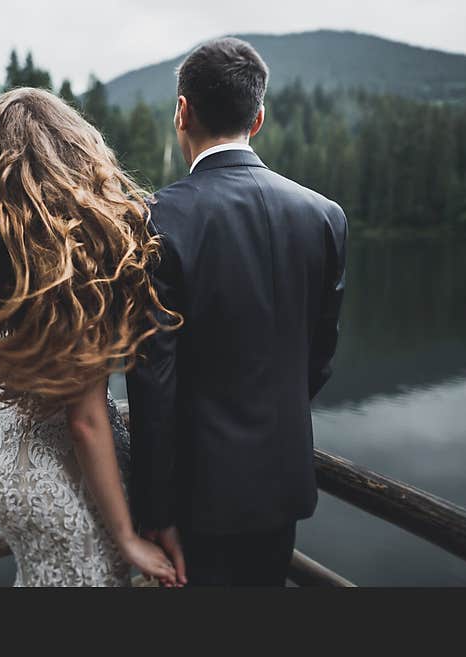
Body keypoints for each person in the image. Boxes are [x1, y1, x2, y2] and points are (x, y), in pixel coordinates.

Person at [0, 87, 183, 587]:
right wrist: (128, 537)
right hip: (65, 472)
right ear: (73, 155)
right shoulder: (74, 266)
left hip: (7, 465)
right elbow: (85, 420)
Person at [127, 37, 348, 586]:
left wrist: (155, 513)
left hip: (197, 501)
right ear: (259, 118)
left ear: (183, 111)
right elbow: (320, 357)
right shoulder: (324, 215)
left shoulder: (156, 219)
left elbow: (152, 381)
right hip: (282, 486)